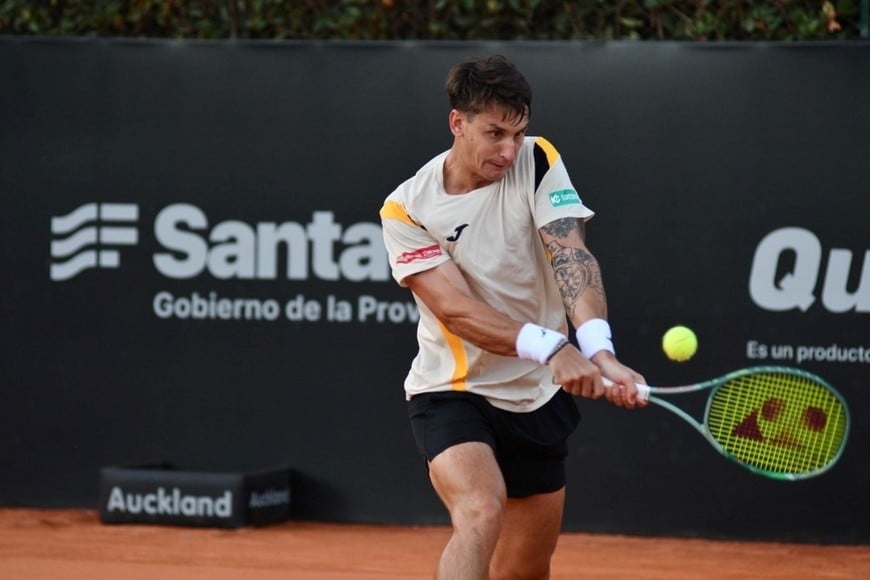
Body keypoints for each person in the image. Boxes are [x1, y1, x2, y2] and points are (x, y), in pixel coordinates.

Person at [379, 55, 647, 580]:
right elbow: (457, 312)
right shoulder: (407, 209)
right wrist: (553, 347)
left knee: (524, 570)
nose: (508, 150)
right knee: (480, 510)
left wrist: (599, 350)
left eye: (517, 133)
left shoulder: (538, 159)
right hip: (453, 389)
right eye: (494, 133)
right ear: (458, 123)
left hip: (536, 395)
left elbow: (571, 255)